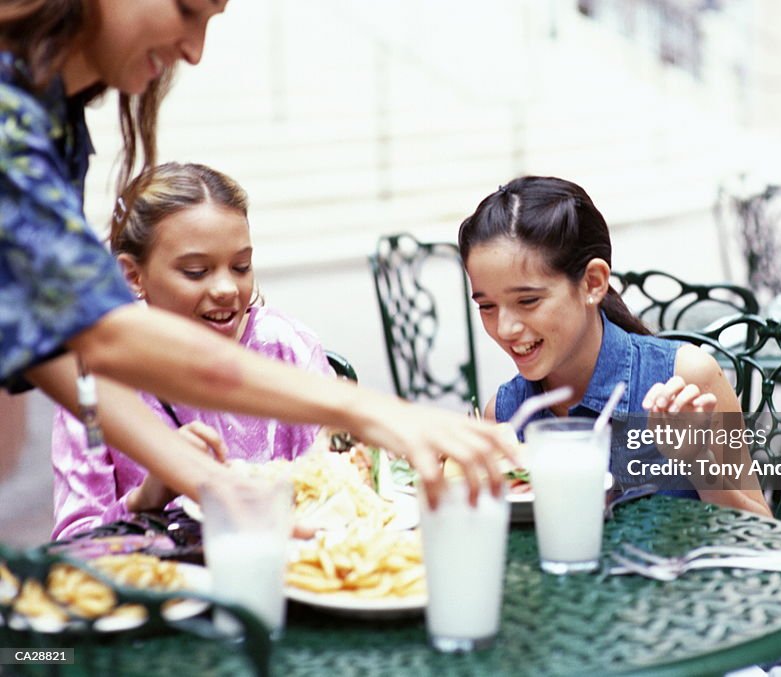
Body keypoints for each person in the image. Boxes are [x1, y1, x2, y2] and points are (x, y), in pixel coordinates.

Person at [0, 0, 514, 510]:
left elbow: (62, 349)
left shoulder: (51, 114)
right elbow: (100, 336)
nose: (195, 51)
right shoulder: (12, 116)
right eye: (186, 10)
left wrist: (206, 480)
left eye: (241, 265)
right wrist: (370, 409)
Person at [51, 162, 339, 539]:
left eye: (240, 266)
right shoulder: (94, 379)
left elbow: (341, 484)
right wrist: (146, 497)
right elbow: (75, 543)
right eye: (196, 271)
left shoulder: (286, 347)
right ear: (133, 276)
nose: (226, 289)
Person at [457, 176, 769, 515]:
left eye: (528, 301)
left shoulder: (686, 379)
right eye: (486, 306)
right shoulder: (504, 415)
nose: (505, 328)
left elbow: (764, 533)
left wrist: (697, 460)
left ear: (593, 282)